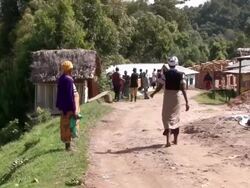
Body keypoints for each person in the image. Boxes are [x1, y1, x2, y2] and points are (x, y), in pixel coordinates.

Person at [150, 56, 189, 147]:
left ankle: (168, 141)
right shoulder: (181, 74)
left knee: (166, 117)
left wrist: (153, 93)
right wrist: (187, 102)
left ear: (168, 64)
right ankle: (175, 140)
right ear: (177, 64)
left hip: (167, 97)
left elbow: (160, 86)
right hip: (176, 97)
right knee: (176, 118)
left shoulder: (165, 74)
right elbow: (183, 89)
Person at [56, 60, 78, 151]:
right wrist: (73, 109)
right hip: (68, 107)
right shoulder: (69, 80)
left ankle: (67, 145)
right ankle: (68, 147)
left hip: (63, 107)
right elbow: (70, 96)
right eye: (71, 69)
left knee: (64, 126)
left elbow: (60, 94)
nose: (72, 70)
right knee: (69, 126)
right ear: (69, 69)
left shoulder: (61, 79)